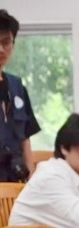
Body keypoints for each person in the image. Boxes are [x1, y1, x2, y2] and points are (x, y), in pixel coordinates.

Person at [0, 9, 40, 181]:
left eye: (6, 42)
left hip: (15, 176)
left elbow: (25, 138)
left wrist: (32, 176)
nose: (1, 49)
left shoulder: (17, 87)